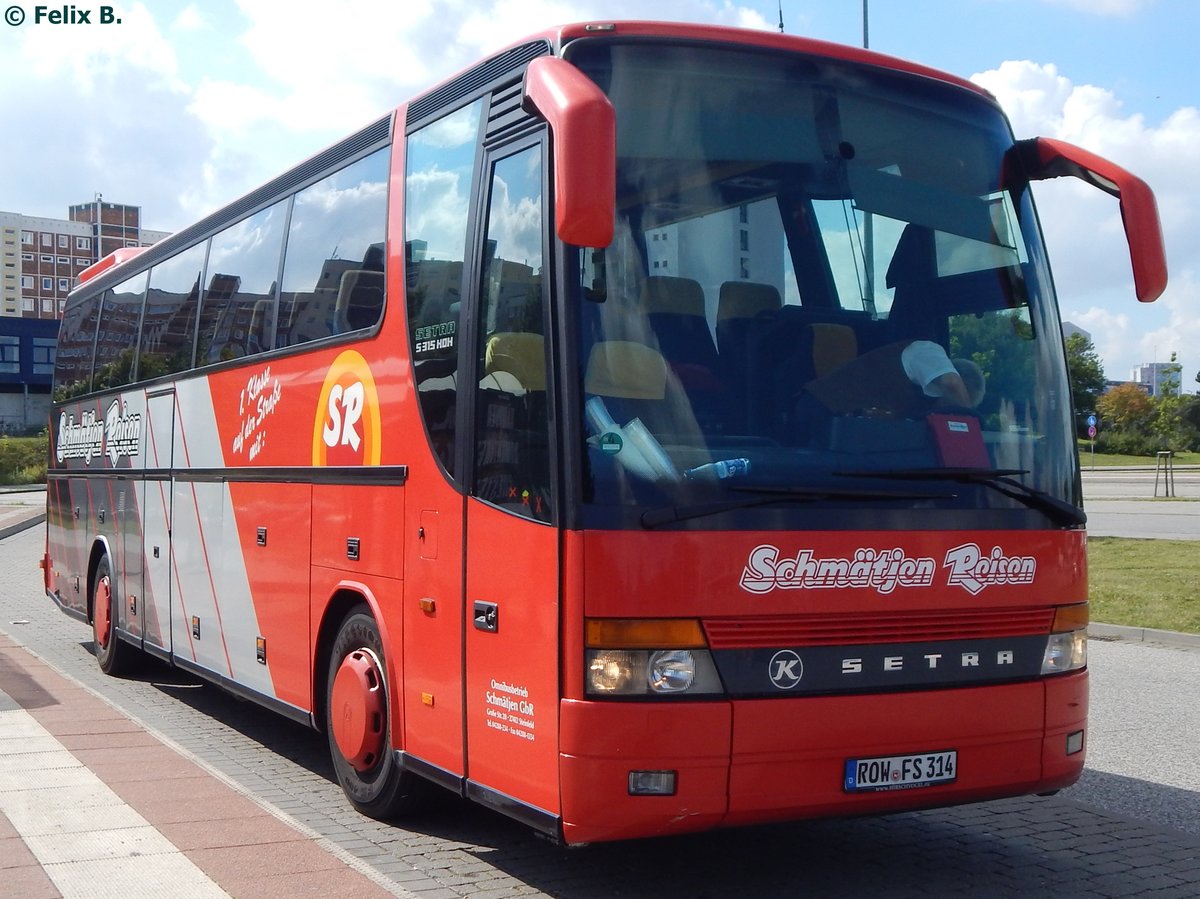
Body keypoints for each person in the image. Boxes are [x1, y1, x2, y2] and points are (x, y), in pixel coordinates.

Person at [798, 338, 984, 425]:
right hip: (818, 409)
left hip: (844, 434)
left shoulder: (919, 407)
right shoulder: (928, 351)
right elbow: (951, 382)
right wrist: (970, 421)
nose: (949, 413)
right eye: (954, 405)